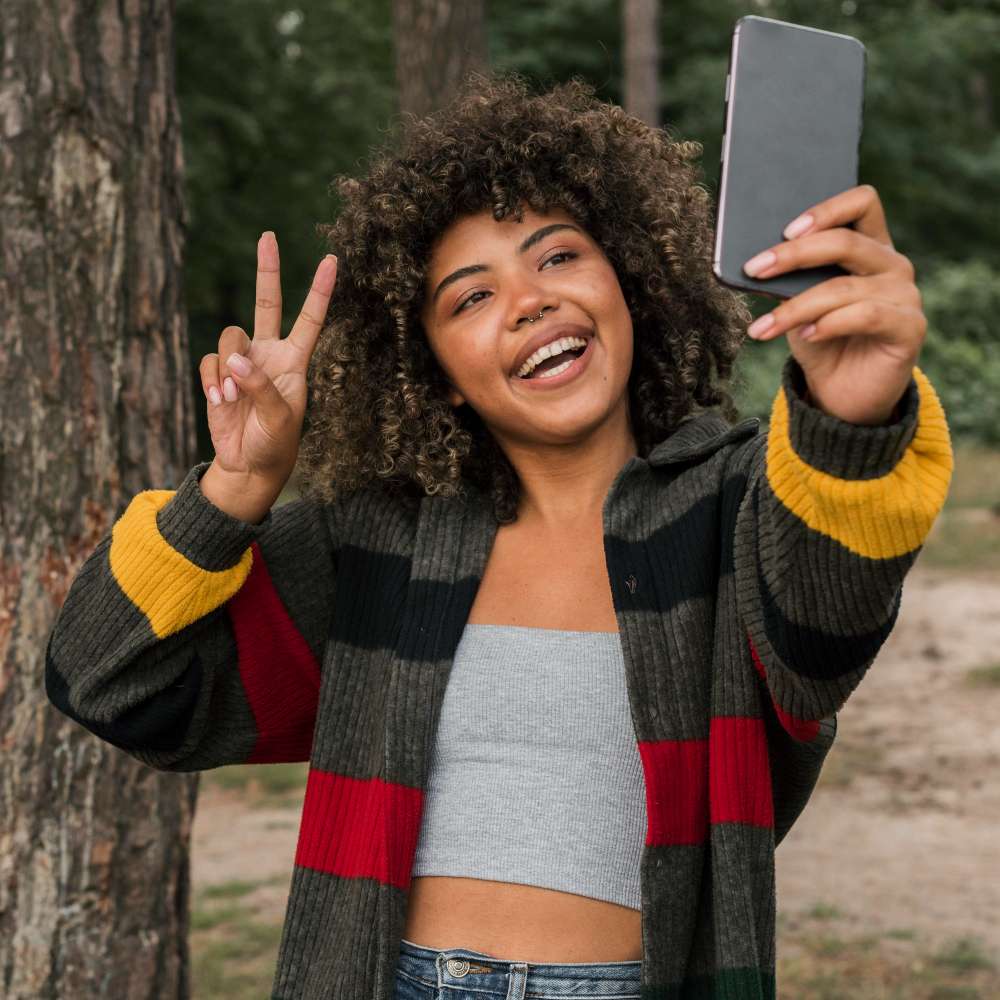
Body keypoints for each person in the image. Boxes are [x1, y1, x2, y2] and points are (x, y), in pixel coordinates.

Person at [45, 72, 953, 1000]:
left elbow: (822, 638)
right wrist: (232, 493)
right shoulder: (376, 541)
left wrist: (849, 414)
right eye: (470, 299)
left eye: (557, 257)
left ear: (627, 279)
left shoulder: (734, 503)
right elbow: (106, 680)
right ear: (436, 373)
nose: (528, 300)